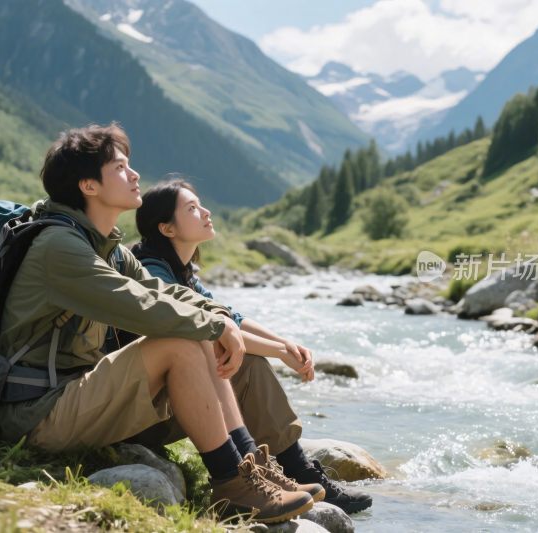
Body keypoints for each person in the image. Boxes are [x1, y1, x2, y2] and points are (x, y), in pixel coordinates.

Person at [0, 123, 323, 523]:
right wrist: (216, 327)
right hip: (39, 414)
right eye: (120, 168)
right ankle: (231, 484)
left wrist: (220, 319)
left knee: (198, 331)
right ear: (89, 186)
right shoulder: (60, 247)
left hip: (80, 399)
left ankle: (249, 468)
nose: (134, 174)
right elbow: (142, 305)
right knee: (181, 340)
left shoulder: (110, 250)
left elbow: (164, 292)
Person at [128, 178, 374, 514]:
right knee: (243, 358)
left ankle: (290, 470)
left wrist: (284, 343)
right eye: (192, 208)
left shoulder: (182, 272)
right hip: (144, 413)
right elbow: (212, 330)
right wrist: (279, 352)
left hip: (169, 401)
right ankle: (272, 473)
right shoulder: (152, 272)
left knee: (252, 361)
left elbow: (231, 318)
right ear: (167, 228)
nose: (206, 212)